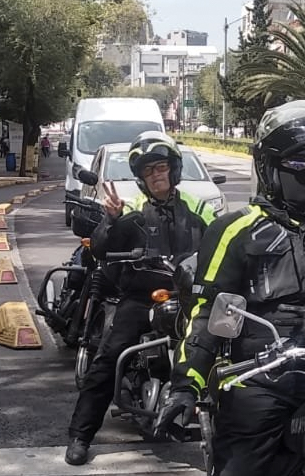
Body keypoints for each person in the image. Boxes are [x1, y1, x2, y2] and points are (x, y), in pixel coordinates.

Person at [155, 101, 305, 476]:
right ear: (269, 166)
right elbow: (206, 315)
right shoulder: (235, 230)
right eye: (297, 164)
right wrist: (185, 387)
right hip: (258, 380)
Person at [64, 131, 216, 466]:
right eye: (149, 171)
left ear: (173, 170)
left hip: (190, 297)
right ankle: (80, 435)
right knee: (110, 357)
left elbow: (223, 242)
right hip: (143, 296)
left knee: (229, 349)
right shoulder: (131, 207)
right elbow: (101, 248)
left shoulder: (199, 208)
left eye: (161, 167)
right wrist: (111, 220)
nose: (157, 175)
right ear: (142, 178)